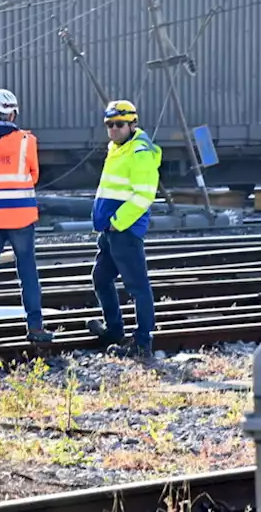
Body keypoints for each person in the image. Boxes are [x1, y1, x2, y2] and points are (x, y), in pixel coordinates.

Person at [0, 89, 54, 345]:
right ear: (12, 113)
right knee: (27, 272)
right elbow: (33, 175)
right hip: (21, 218)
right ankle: (35, 328)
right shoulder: (27, 141)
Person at [86, 99, 162, 360]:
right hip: (110, 231)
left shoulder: (139, 152)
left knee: (137, 286)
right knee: (101, 278)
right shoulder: (117, 148)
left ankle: (142, 342)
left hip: (124, 231)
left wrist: (117, 222)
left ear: (133, 124)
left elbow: (144, 196)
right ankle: (115, 330)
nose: (114, 129)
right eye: (110, 124)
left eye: (119, 124)